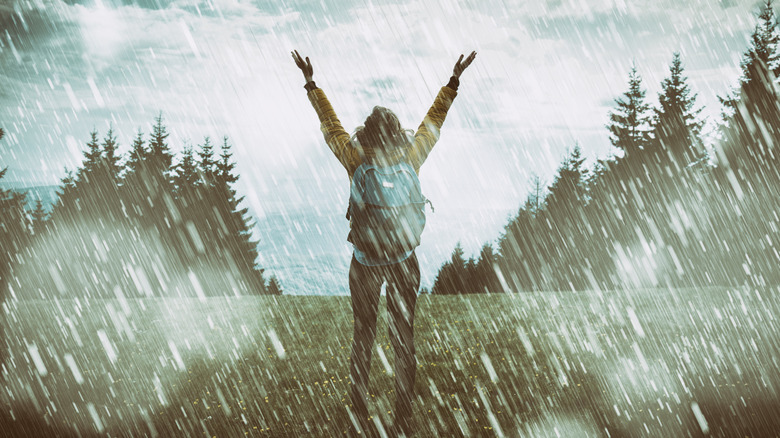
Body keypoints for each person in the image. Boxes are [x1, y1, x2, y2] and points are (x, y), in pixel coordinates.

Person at [292, 49, 476, 437]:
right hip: (404, 259)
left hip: (365, 260)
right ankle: (403, 415)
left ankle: (359, 405)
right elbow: (433, 122)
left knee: (364, 333)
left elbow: (331, 126)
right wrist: (453, 81)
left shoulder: (356, 159)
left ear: (368, 131)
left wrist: (311, 83)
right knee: (403, 337)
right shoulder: (411, 157)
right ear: (395, 132)